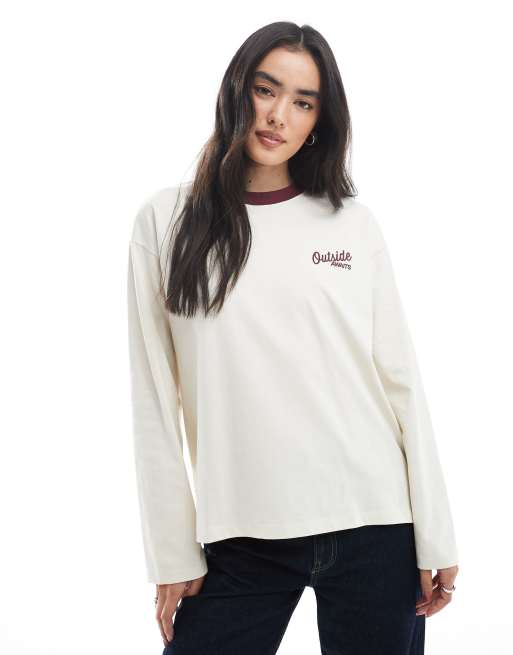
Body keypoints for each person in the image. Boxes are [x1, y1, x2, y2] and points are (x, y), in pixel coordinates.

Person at [127, 21, 459, 655]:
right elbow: (154, 401)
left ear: (319, 121)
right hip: (241, 537)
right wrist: (171, 552)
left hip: (375, 524)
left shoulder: (351, 225)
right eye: (266, 89)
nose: (279, 115)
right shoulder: (166, 222)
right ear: (236, 90)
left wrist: (436, 533)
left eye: (303, 102)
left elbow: (402, 385)